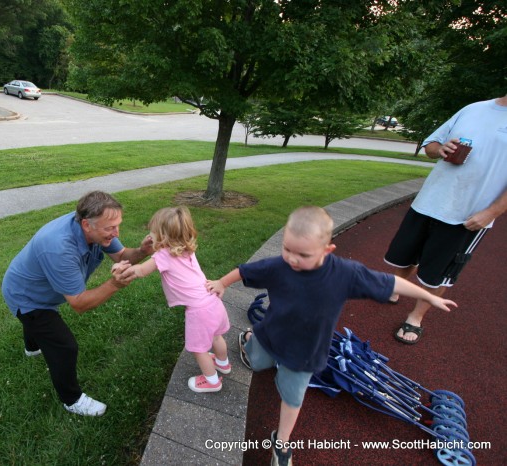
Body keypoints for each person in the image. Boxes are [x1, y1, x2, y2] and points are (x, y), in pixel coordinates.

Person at [206, 206, 457, 466]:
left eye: (303, 254)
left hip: (304, 354)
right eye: (287, 249)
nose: (292, 259)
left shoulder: (344, 274)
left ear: (327, 250)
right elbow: (247, 271)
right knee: (257, 362)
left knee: (292, 398)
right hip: (270, 335)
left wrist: (427, 296)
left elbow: (390, 283)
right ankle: (250, 340)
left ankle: (281, 443)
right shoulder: (279, 265)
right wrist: (222, 283)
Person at [1, 191, 153, 416]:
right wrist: (115, 285)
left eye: (118, 225)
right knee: (64, 346)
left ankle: (32, 348)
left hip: (36, 288)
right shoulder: (59, 247)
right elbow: (79, 304)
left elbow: (121, 256)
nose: (116, 232)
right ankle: (72, 400)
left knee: (39, 329)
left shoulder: (95, 227)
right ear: (86, 224)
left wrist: (142, 251)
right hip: (26, 296)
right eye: (110, 228)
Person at [384, 95, 507, 344]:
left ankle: (416, 317)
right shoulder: (472, 108)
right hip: (429, 201)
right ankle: (396, 289)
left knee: (438, 273)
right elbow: (430, 146)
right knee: (404, 254)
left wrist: (492, 212)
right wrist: (440, 149)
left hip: (467, 215)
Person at [120, 206, 231, 393]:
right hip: (213, 301)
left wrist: (124, 269)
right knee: (216, 336)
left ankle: (212, 381)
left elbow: (141, 270)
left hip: (199, 311)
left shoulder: (162, 255)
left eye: (153, 232)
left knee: (199, 349)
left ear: (163, 237)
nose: (150, 235)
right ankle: (223, 363)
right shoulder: (187, 249)